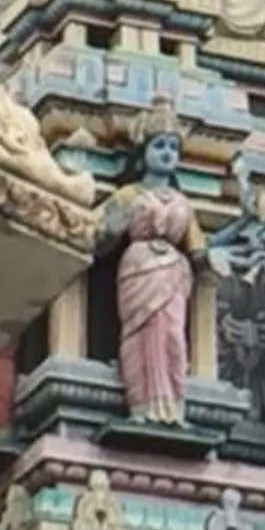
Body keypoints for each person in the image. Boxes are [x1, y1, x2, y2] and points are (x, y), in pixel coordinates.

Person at [104, 126, 206, 423]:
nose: (166, 153)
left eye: (173, 148)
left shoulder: (183, 203)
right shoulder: (128, 195)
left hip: (173, 273)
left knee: (173, 336)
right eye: (159, 145)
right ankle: (140, 404)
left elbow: (199, 249)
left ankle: (173, 406)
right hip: (138, 268)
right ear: (143, 153)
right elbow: (98, 236)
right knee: (140, 332)